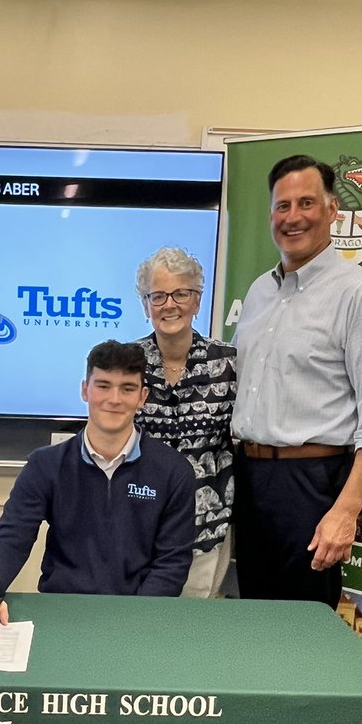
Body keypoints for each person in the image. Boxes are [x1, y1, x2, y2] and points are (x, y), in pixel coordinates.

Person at [231, 154, 362, 608]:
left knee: (304, 630)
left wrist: (345, 513)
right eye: (282, 206)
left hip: (310, 485)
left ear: (332, 211)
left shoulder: (360, 295)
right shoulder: (258, 292)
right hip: (248, 479)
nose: (293, 217)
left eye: (306, 203)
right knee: (251, 617)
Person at [0, 340, 196, 628]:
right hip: (60, 612)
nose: (114, 399)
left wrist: (136, 618)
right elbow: (12, 536)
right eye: (103, 385)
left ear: (142, 396)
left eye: (127, 388)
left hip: (138, 617)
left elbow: (172, 563)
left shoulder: (173, 471)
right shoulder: (46, 465)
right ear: (85, 390)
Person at [134, 247, 236, 599]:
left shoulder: (229, 364)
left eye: (181, 293)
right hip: (139, 523)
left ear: (196, 301)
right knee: (137, 627)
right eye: (158, 295)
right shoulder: (127, 363)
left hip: (205, 526)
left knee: (193, 631)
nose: (169, 304)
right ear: (146, 304)